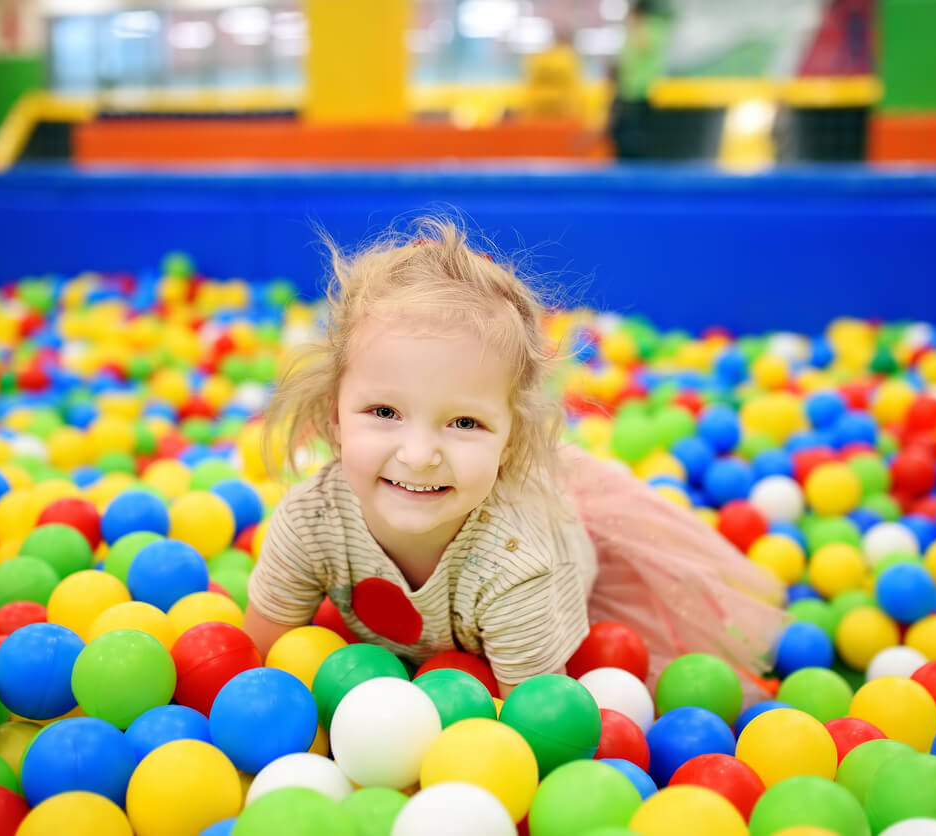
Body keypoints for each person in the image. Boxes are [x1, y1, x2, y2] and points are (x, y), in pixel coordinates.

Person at [244, 217, 786, 699]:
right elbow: (255, 666)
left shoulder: (517, 568)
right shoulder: (310, 521)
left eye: (464, 423)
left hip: (550, 559)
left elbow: (535, 722)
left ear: (508, 443)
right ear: (336, 419)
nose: (419, 454)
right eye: (384, 411)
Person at [609, 0, 672, 159]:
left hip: (642, 93)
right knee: (621, 138)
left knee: (638, 139)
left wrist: (634, 25)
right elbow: (625, 62)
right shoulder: (633, 33)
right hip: (627, 92)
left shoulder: (652, 27)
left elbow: (644, 44)